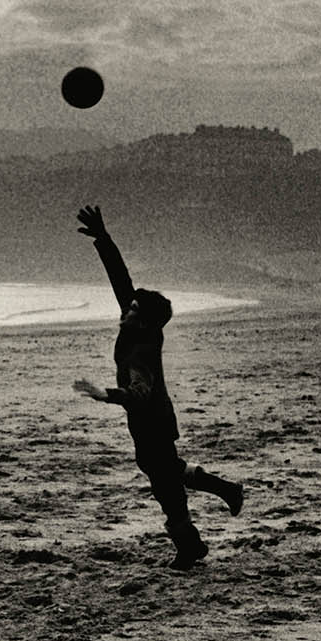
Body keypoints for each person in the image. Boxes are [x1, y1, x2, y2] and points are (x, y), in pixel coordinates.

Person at [71, 206, 244, 569]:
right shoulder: (140, 323)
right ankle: (227, 491)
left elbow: (140, 394)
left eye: (133, 310)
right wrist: (103, 238)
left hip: (150, 421)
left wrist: (106, 395)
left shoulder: (141, 349)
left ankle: (190, 546)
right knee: (165, 469)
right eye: (129, 307)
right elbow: (121, 279)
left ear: (145, 321)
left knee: (165, 485)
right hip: (156, 421)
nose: (126, 311)